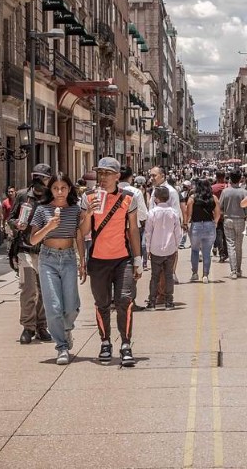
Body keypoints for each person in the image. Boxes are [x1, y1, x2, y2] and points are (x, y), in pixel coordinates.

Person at [80, 157, 142, 367]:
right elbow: (84, 232)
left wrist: (138, 259)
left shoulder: (128, 199)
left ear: (117, 176)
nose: (103, 178)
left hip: (122, 259)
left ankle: (125, 344)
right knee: (102, 304)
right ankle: (105, 342)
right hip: (98, 260)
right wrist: (88, 214)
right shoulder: (88, 198)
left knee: (125, 300)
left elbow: (133, 230)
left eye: (107, 173)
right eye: (100, 173)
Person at [29, 173, 87, 365]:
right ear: (50, 190)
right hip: (48, 259)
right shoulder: (42, 210)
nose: (59, 192)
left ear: (70, 189)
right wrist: (49, 227)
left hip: (69, 258)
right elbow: (33, 239)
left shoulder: (75, 210)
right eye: (55, 188)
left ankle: (66, 329)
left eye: (63, 188)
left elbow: (80, 236)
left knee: (71, 306)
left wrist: (82, 262)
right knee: (53, 307)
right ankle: (61, 347)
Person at [8, 165, 53, 345]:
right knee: (28, 290)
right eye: (37, 177)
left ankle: (41, 325)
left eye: (43, 178)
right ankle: (28, 326)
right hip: (25, 249)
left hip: (46, 250)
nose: (39, 182)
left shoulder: (51, 198)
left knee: (44, 291)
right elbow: (10, 218)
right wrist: (15, 224)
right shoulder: (22, 196)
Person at [144, 186, 182, 310]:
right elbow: (178, 232)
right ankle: (169, 301)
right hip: (170, 248)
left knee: (154, 276)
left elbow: (148, 232)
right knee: (169, 275)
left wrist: (148, 249)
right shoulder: (174, 213)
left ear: (156, 198)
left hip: (155, 249)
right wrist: (176, 246)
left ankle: (152, 302)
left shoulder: (152, 213)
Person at [184, 179, 221, 283]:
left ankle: (195, 273)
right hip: (209, 226)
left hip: (196, 226)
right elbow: (218, 213)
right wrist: (215, 223)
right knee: (206, 252)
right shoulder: (214, 198)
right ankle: (205, 275)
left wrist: (186, 224)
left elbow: (188, 213)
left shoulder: (192, 198)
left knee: (195, 250)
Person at [220, 170, 247, 279]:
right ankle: (239, 269)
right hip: (240, 219)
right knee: (238, 245)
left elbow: (220, 206)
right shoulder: (244, 192)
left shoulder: (225, 192)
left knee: (230, 244)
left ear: (230, 179)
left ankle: (233, 271)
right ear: (240, 178)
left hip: (228, 219)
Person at [211, 170, 229, 262]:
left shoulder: (212, 188)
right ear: (224, 176)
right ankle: (226, 253)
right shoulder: (228, 187)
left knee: (218, 234)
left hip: (216, 214)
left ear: (216, 177)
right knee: (226, 235)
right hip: (228, 214)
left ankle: (221, 253)